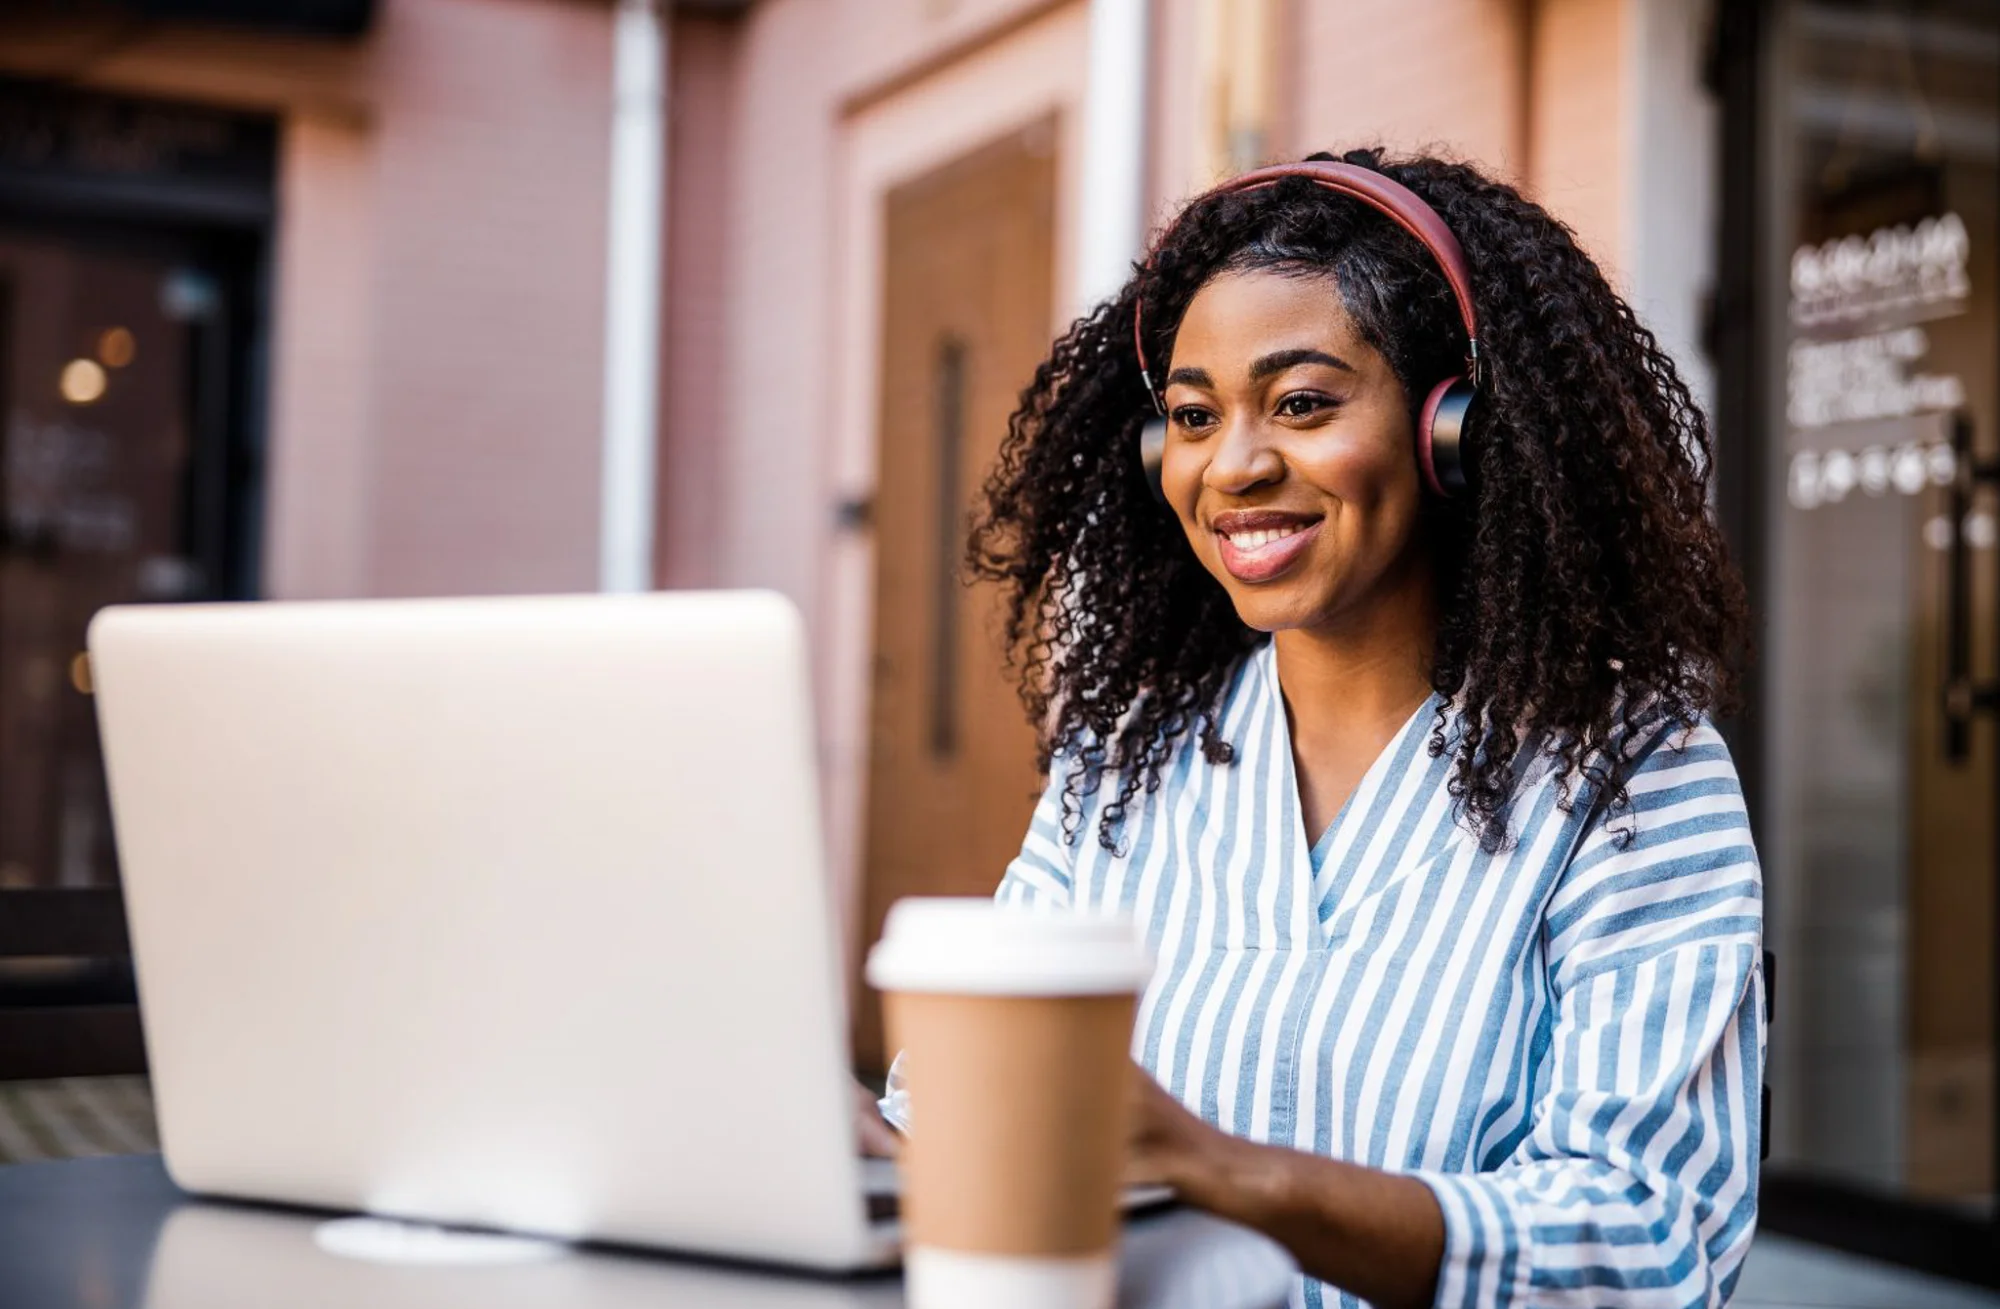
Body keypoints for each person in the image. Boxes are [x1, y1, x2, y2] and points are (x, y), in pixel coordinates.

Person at [875, 146, 1764, 1309]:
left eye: (1299, 402)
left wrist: (1231, 1174)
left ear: (1449, 427)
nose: (1232, 465)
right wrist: (860, 1148)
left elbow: (1646, 1240)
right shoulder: (1126, 762)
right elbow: (949, 1113)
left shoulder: (1630, 773)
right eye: (1192, 417)